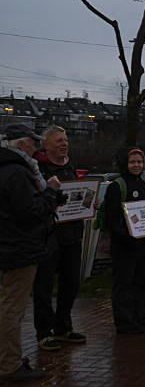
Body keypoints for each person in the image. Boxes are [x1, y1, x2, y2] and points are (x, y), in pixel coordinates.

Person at [0, 124, 63, 383]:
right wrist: (50, 193)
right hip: (20, 249)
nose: (38, 148)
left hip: (10, 246)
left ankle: (8, 359)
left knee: (8, 305)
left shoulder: (7, 169)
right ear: (21, 145)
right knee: (12, 308)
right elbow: (29, 212)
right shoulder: (16, 172)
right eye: (34, 143)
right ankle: (8, 365)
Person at [32, 125, 87, 351]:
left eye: (65, 140)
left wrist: (89, 203)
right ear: (46, 145)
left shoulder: (69, 166)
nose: (64, 144)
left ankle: (63, 326)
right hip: (48, 236)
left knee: (71, 282)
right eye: (58, 141)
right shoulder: (37, 168)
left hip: (72, 234)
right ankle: (44, 332)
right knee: (43, 285)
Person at [105, 148, 145, 334]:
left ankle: (139, 317)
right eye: (132, 162)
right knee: (124, 284)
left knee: (141, 282)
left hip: (143, 245)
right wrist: (127, 238)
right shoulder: (117, 186)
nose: (136, 165)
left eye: (140, 162)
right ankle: (125, 322)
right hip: (124, 246)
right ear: (125, 164)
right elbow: (112, 219)